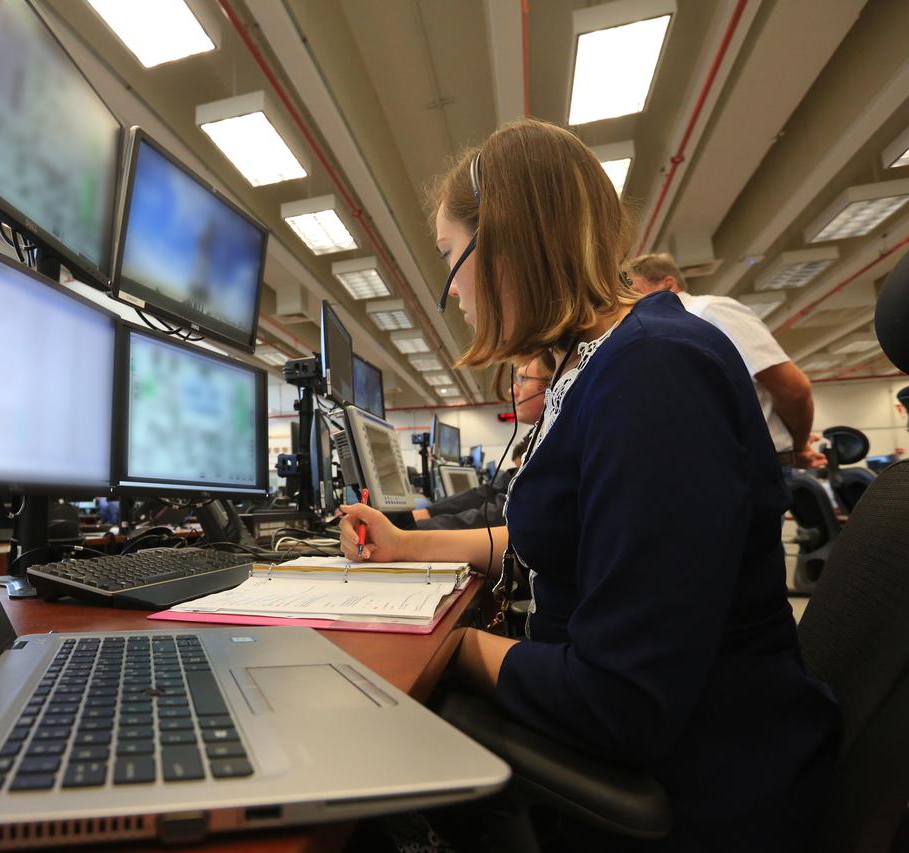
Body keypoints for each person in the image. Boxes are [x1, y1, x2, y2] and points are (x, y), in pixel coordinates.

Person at [340, 119, 836, 850]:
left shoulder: (654, 375)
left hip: (704, 787)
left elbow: (620, 698)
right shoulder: (611, 364)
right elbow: (588, 534)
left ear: (503, 243)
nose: (453, 291)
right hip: (679, 746)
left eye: (449, 258)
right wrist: (408, 543)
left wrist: (445, 641)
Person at [628, 253, 824, 470]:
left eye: (635, 291)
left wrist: (798, 447)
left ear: (668, 284)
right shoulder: (652, 331)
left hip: (754, 464)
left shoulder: (709, 310)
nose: (628, 300)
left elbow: (793, 388)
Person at [410, 353, 552, 530]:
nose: (512, 390)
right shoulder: (541, 436)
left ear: (552, 385)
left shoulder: (555, 443)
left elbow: (502, 513)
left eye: (523, 379)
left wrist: (414, 532)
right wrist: (428, 514)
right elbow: (492, 492)